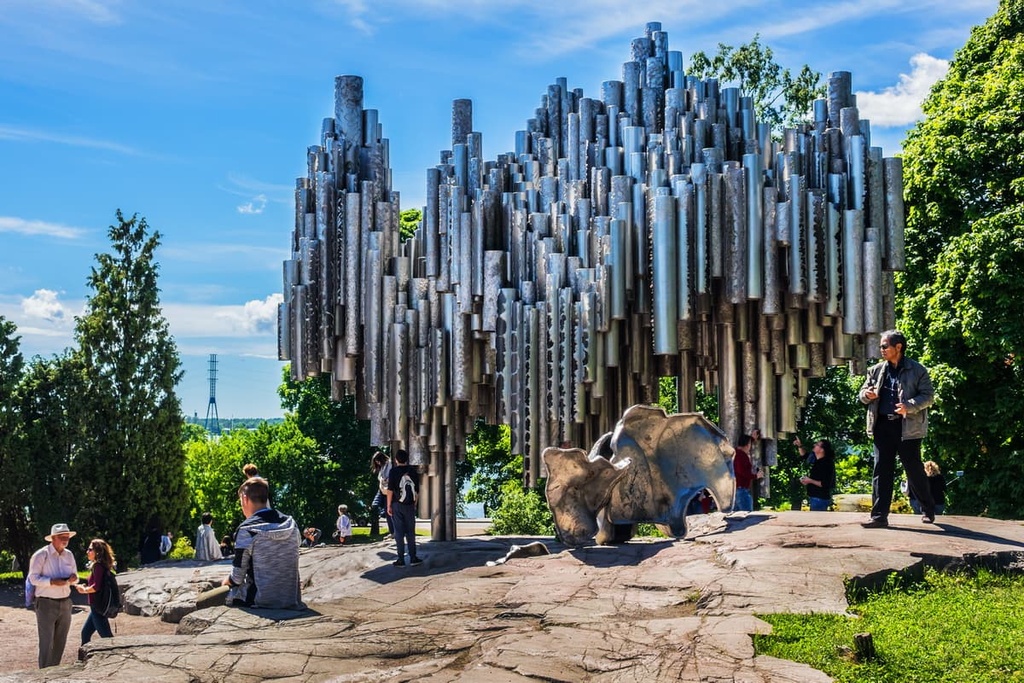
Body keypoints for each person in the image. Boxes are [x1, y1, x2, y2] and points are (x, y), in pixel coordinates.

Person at [859, 329, 937, 528]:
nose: (881, 350)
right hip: (882, 425)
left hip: (907, 427)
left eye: (885, 346)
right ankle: (879, 516)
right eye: (881, 347)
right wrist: (867, 395)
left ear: (898, 347)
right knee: (881, 470)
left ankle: (928, 508)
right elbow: (861, 394)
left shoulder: (918, 370)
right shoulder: (876, 370)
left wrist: (909, 406)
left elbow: (928, 396)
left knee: (913, 470)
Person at [221, 475, 302, 608]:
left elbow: (237, 578)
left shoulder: (246, 529)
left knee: (223, 594)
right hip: (290, 600)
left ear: (245, 499)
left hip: (260, 601)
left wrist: (225, 581)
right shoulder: (291, 524)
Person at [27, 522, 79, 668]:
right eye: (62, 537)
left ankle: (54, 673)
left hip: (65, 602)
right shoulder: (41, 555)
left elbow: (76, 575)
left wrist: (74, 579)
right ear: (53, 538)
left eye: (67, 537)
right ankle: (44, 674)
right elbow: (33, 578)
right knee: (46, 642)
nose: (65, 540)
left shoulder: (69, 555)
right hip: (46, 603)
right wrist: (52, 582)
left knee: (60, 641)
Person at [74, 538, 116, 645]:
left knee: (106, 637)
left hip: (97, 606)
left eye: (90, 549)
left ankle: (118, 656)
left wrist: (83, 590)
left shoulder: (98, 566)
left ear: (97, 552)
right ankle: (83, 660)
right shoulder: (102, 566)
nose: (87, 552)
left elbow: (96, 587)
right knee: (85, 633)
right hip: (97, 606)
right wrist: (86, 587)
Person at [387, 448, 423, 566]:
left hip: (397, 504)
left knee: (399, 532)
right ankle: (413, 558)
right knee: (410, 532)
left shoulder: (393, 471)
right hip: (409, 505)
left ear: (396, 460)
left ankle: (401, 559)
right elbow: (416, 491)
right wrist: (414, 504)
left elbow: (390, 490)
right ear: (407, 459)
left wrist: (389, 505)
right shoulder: (412, 471)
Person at [795, 436, 836, 511]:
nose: (814, 445)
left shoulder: (826, 463)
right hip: (815, 497)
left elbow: (825, 483)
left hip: (820, 498)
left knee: (817, 521)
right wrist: (799, 446)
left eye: (817, 444)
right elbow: (804, 456)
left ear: (822, 450)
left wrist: (809, 481)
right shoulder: (817, 460)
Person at [732, 434, 762, 512]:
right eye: (750, 444)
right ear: (748, 445)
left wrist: (751, 439)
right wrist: (756, 476)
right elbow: (742, 471)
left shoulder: (735, 453)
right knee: (747, 516)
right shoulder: (741, 455)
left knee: (735, 518)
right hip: (741, 490)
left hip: (736, 489)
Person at [370, 451, 394, 538]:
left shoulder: (389, 464)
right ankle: (392, 531)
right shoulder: (382, 467)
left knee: (388, 511)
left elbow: (390, 475)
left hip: (387, 489)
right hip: (382, 489)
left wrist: (385, 479)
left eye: (378, 461)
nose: (378, 463)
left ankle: (393, 531)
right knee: (376, 505)